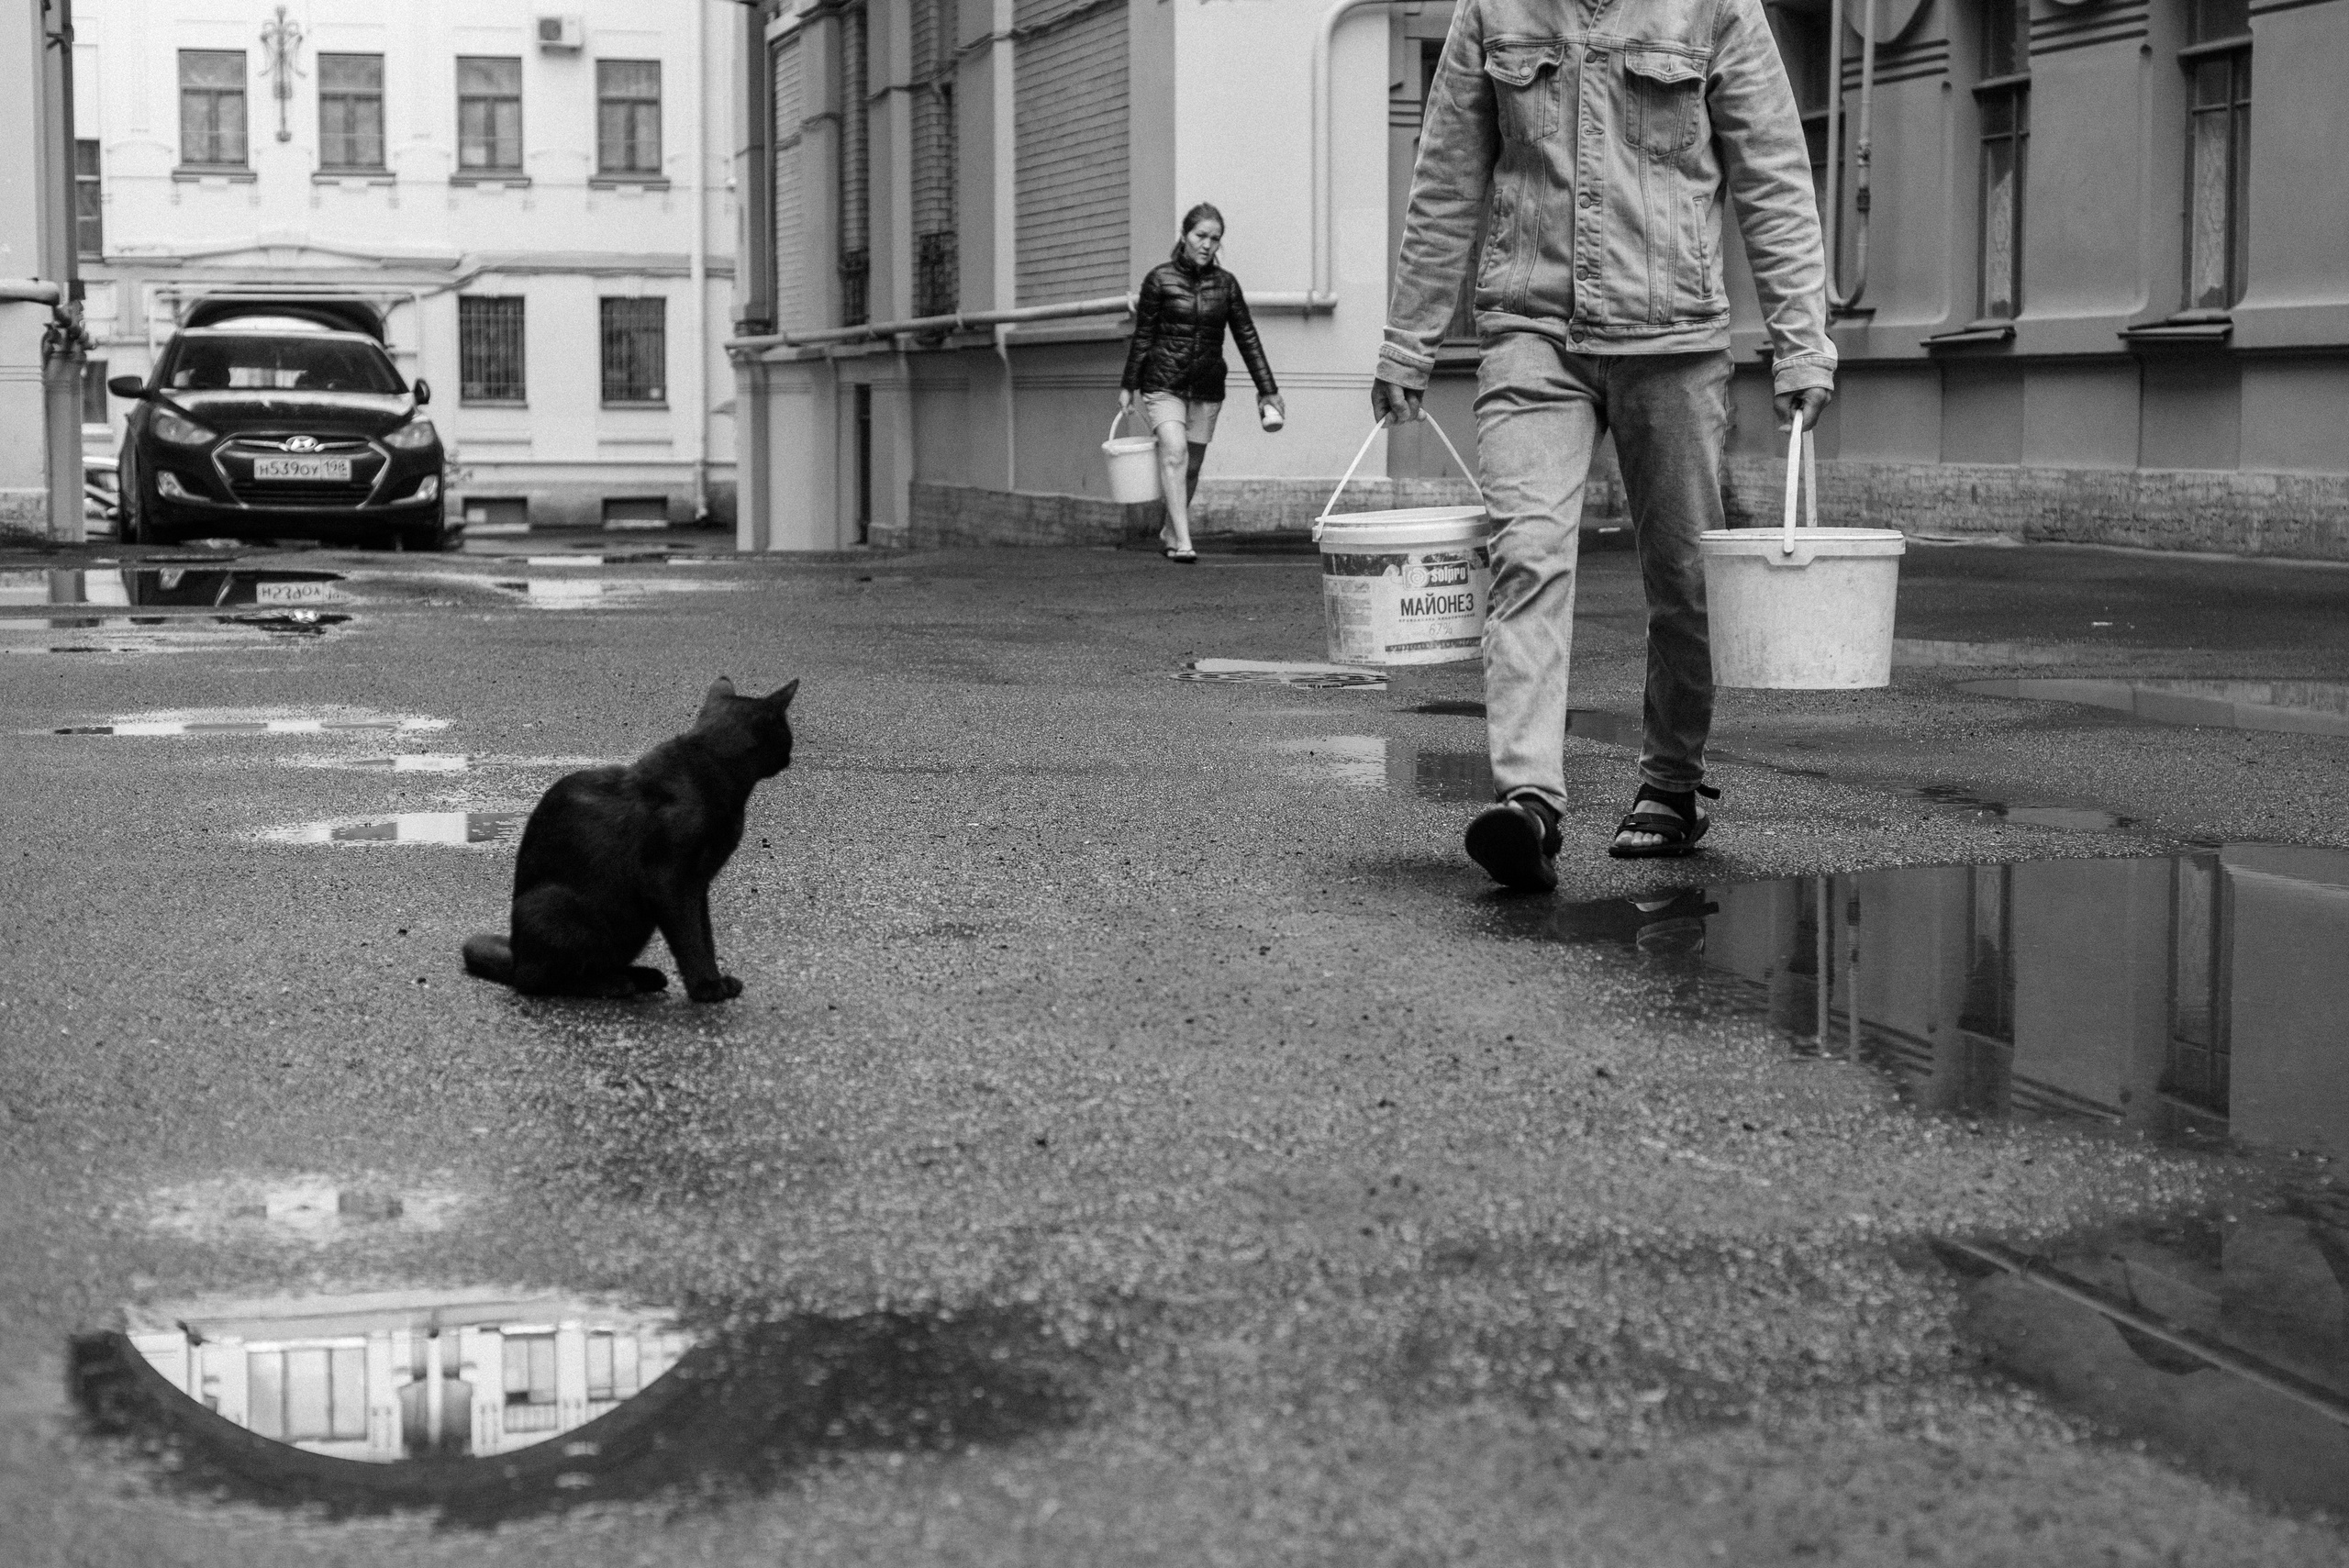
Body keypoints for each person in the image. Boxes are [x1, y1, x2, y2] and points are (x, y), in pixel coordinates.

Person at [1373, 0, 1837, 890]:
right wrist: (1409, 340)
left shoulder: (1713, 7)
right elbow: (1445, 180)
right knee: (1525, 555)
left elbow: (1773, 171)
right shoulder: (1492, 9)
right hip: (1528, 329)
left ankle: (1670, 781)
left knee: (1684, 577)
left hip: (1675, 339)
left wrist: (1799, 342)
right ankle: (1528, 803)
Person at [1120, 203, 1286, 562]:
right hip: (1163, 381)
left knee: (1191, 466)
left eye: (1215, 238)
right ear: (1184, 235)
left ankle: (1169, 529)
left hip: (1207, 385)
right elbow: (1143, 335)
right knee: (1175, 451)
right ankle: (1183, 541)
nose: (1207, 244)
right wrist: (1127, 384)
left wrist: (1268, 390)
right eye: (1201, 236)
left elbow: (1247, 338)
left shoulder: (1226, 285)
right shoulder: (1159, 279)